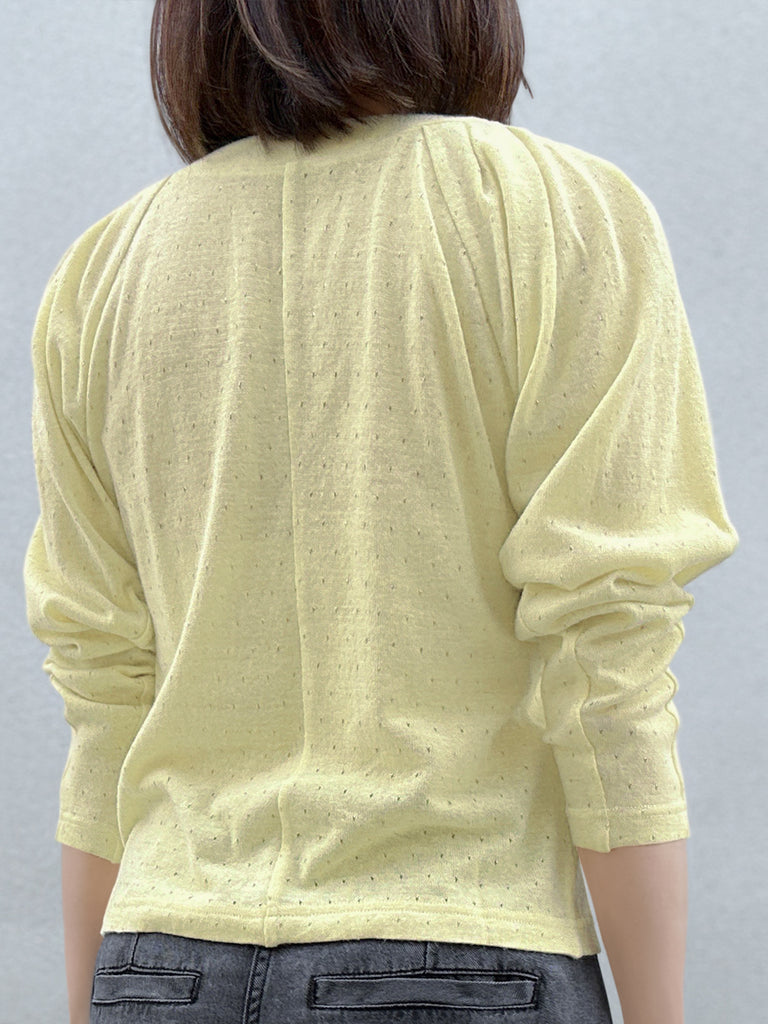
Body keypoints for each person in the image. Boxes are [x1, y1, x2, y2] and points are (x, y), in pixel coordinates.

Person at [23, 2, 739, 1023]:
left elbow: (105, 696)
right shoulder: (549, 214)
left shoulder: (103, 274)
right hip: (461, 946)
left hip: (161, 962)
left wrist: (98, 1002)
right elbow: (607, 655)